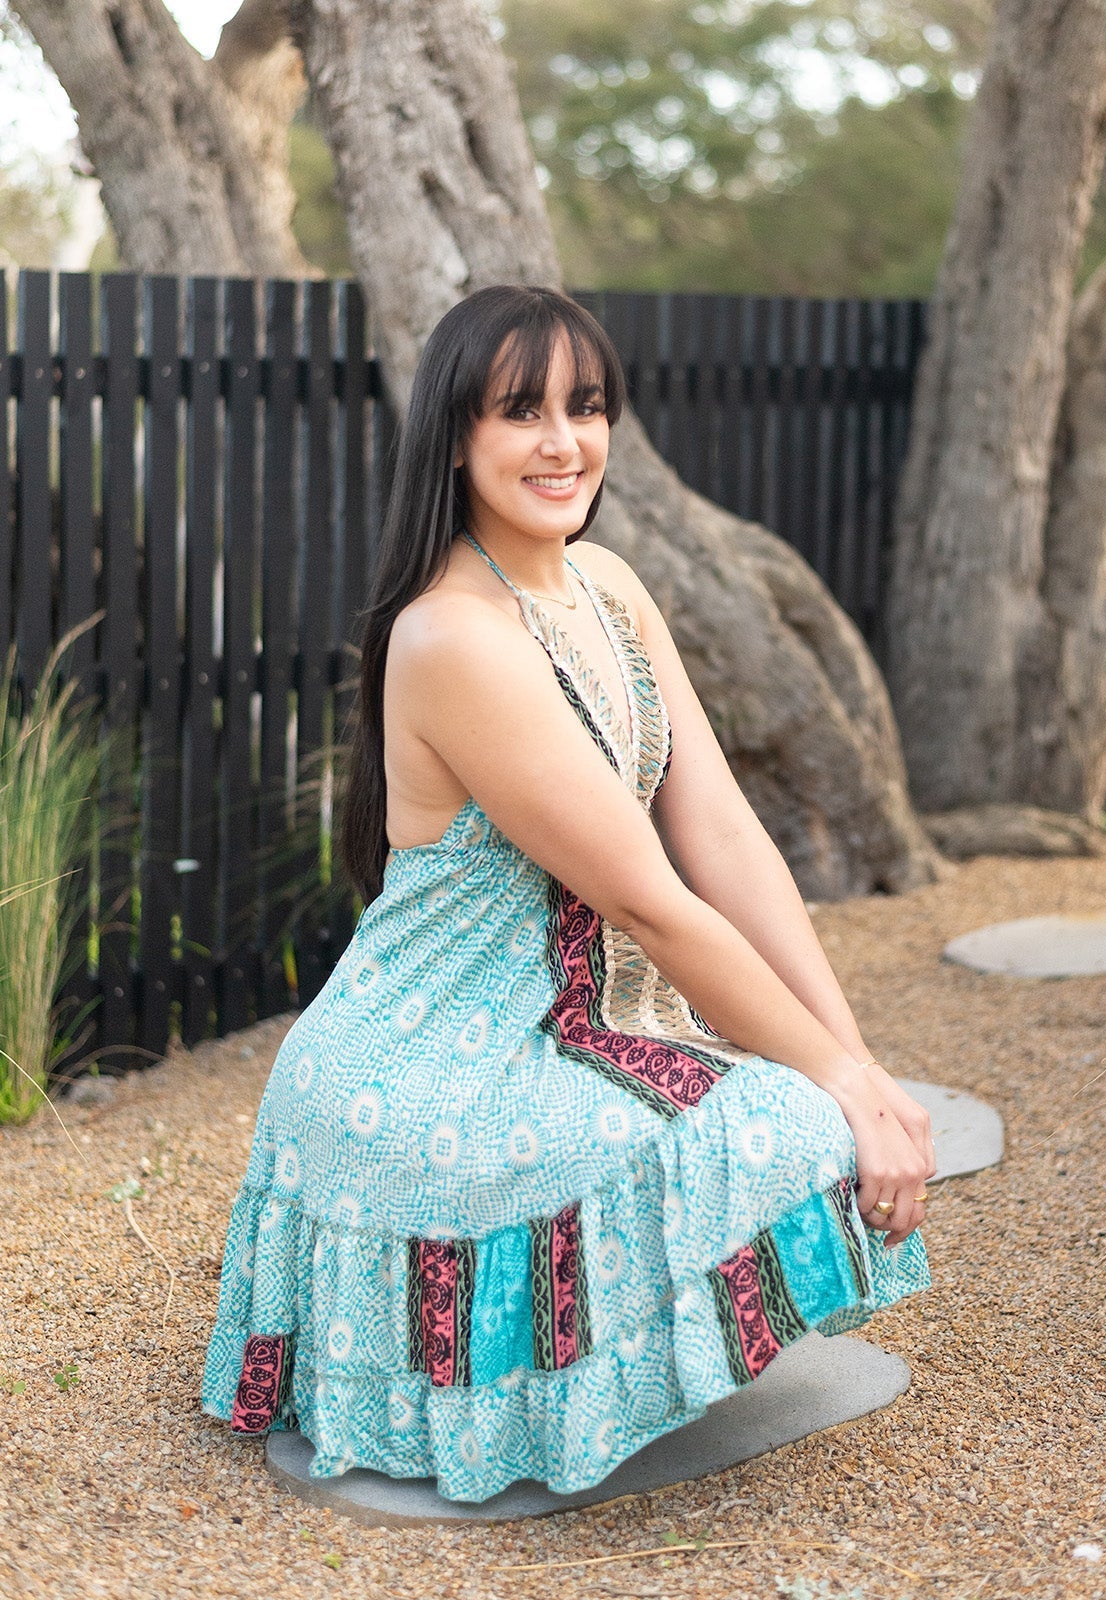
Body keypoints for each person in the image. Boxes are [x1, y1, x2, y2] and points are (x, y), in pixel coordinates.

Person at [201, 284, 933, 1503]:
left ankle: (617, 1366)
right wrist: (837, 1087)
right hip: (436, 1055)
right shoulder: (452, 637)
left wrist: (852, 1058)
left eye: (584, 408)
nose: (562, 442)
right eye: (520, 411)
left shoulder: (609, 588)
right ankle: (521, 1413)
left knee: (818, 1111)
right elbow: (650, 900)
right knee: (791, 1127)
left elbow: (724, 834)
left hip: (585, 1018)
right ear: (454, 435)